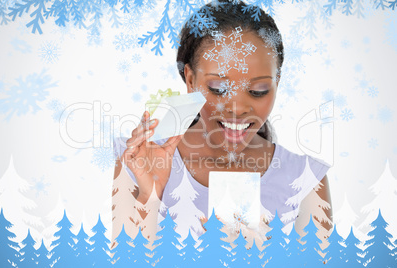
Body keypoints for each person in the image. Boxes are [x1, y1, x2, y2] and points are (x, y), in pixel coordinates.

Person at [112, 0, 332, 253]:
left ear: (277, 82)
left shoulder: (306, 178)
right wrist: (150, 196)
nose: (237, 108)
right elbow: (125, 258)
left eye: (257, 90)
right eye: (219, 88)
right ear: (191, 79)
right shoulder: (138, 160)